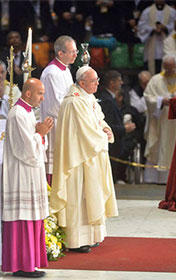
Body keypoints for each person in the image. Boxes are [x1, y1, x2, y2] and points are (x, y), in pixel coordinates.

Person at [50, 66, 118, 253]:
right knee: (79, 198)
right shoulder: (74, 102)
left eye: (97, 79)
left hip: (90, 157)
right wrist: (103, 137)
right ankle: (76, 240)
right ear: (81, 83)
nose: (97, 83)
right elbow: (86, 132)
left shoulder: (88, 98)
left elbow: (98, 120)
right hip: (78, 160)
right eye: (93, 80)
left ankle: (92, 236)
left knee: (91, 197)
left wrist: (106, 129)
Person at [1, 78, 54, 278]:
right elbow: (25, 151)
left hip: (31, 174)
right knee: (22, 219)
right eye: (40, 93)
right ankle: (21, 265)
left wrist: (41, 134)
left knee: (32, 218)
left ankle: (29, 263)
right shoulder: (17, 114)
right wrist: (40, 134)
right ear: (28, 93)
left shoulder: (28, 112)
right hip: (21, 175)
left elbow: (37, 146)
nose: (43, 98)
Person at [40, 35, 77, 184]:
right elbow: (56, 104)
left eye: (76, 51)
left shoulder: (65, 70)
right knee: (54, 165)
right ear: (60, 54)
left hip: (65, 122)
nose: (76, 55)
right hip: (55, 123)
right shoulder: (51, 73)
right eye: (72, 52)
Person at [143, 55, 176, 184]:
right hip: (162, 122)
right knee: (162, 146)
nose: (170, 72)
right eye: (167, 69)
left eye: (172, 69)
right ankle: (160, 179)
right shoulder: (156, 80)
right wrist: (161, 101)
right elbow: (148, 98)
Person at [96, 70, 135, 183]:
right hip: (112, 144)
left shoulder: (110, 98)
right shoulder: (107, 100)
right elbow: (106, 124)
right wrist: (125, 129)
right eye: (119, 80)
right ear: (112, 83)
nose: (121, 83)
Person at [137, 0, 176, 75]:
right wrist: (152, 29)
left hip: (166, 45)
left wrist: (165, 28)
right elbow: (141, 27)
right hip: (152, 47)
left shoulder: (172, 12)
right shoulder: (147, 12)